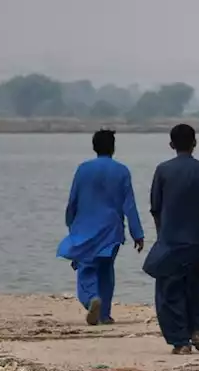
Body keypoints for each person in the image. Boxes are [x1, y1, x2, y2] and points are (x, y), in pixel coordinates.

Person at [142, 124, 199, 355]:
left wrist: (161, 235)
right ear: (195, 143)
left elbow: (155, 208)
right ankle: (196, 330)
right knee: (195, 287)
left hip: (170, 242)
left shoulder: (162, 171)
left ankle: (181, 341)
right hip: (198, 242)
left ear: (172, 145)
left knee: (169, 291)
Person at [56, 129, 144, 326]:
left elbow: (73, 201)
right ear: (113, 147)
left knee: (86, 268)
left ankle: (91, 299)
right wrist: (137, 233)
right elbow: (129, 205)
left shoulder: (83, 169)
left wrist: (71, 225)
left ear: (94, 147)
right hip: (111, 230)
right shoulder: (122, 171)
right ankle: (104, 314)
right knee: (106, 270)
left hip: (85, 228)